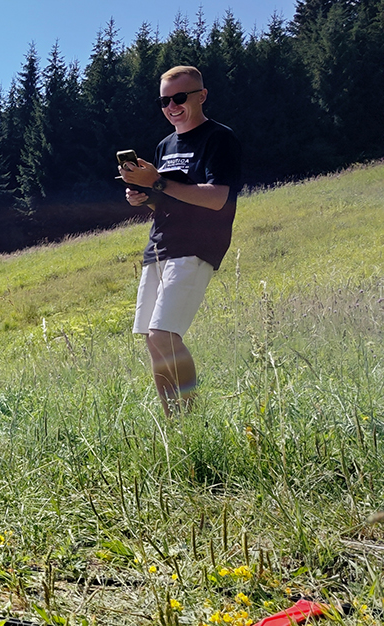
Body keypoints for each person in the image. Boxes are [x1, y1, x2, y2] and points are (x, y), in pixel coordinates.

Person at [121, 65, 241, 416]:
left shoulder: (220, 138)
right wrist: (145, 197)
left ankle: (192, 418)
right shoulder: (164, 145)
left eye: (179, 98)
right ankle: (174, 423)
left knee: (163, 334)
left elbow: (218, 197)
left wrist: (157, 183)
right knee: (151, 340)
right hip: (158, 245)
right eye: (164, 101)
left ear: (201, 96)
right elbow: (170, 196)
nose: (171, 106)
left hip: (196, 245)